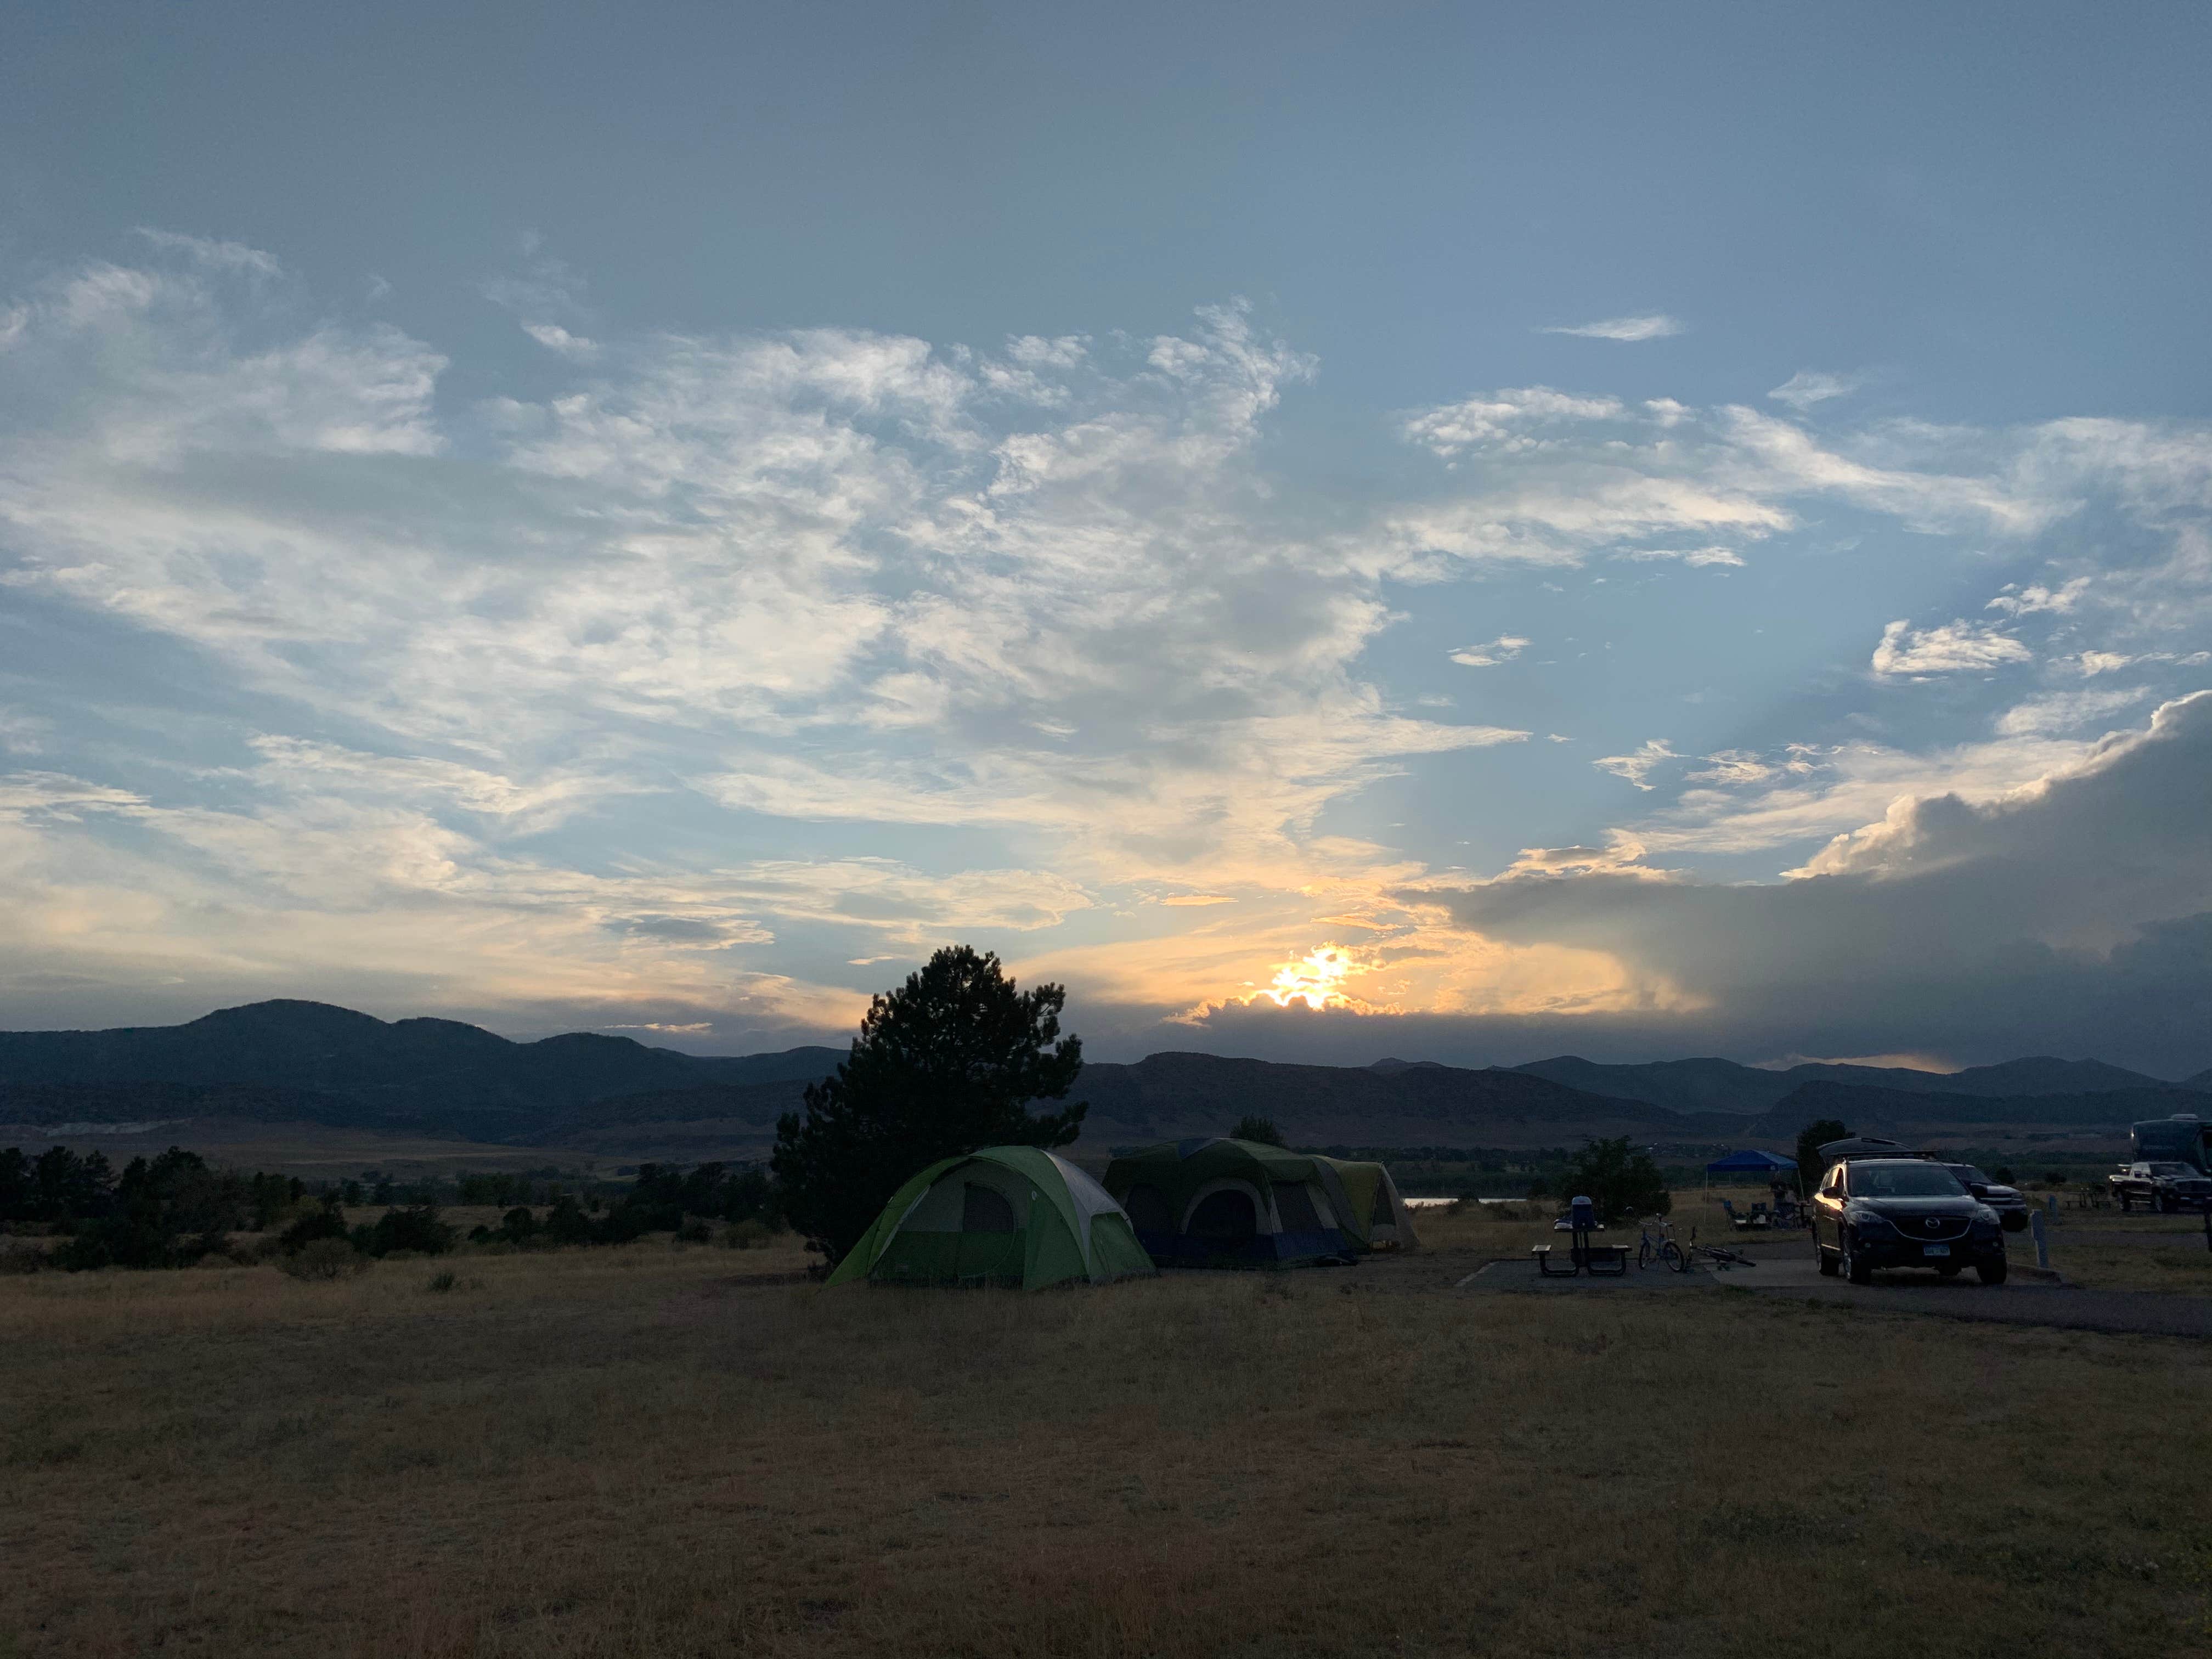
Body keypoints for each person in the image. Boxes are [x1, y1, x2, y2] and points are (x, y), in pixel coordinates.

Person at [1568, 1192, 1595, 1269]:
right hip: (1586, 1223)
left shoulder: (1575, 1204)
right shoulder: (1587, 1203)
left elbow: (1575, 1223)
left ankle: (1579, 1265)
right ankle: (1587, 1266)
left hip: (1577, 1224)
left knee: (1577, 1233)